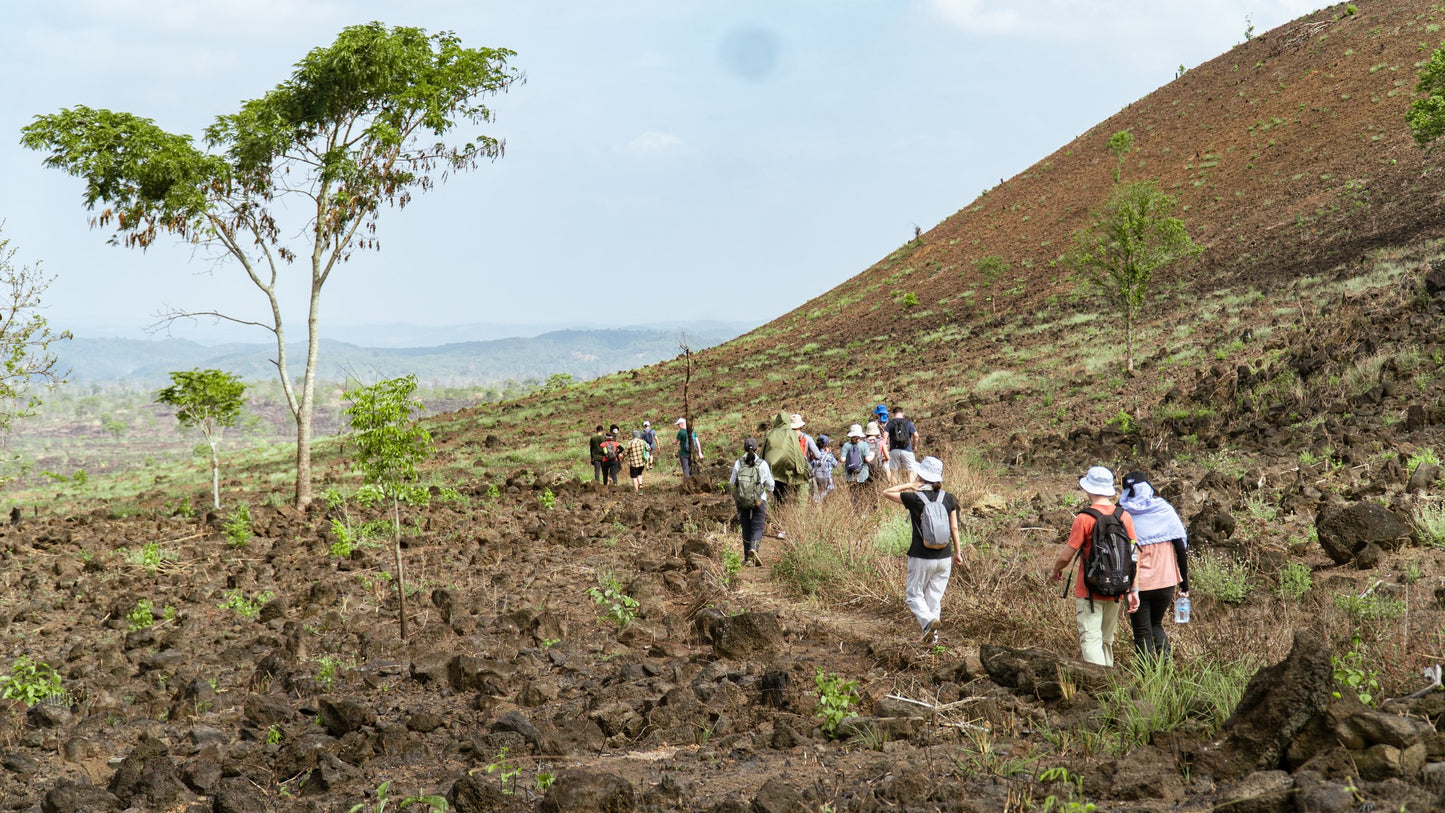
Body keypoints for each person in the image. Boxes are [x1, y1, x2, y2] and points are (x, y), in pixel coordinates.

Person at [1048, 466, 1140, 667]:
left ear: (1089, 489)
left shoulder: (1084, 518)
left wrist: (1056, 569)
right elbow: (1133, 555)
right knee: (1107, 641)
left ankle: (1100, 689)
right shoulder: (1124, 516)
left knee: (1091, 640)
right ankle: (1111, 688)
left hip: (1089, 590)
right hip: (1118, 589)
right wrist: (1133, 589)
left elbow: (1067, 555)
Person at [882, 457, 963, 644]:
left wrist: (910, 484)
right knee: (933, 600)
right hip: (944, 557)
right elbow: (954, 528)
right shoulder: (949, 498)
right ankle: (932, 641)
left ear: (921, 475)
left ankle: (928, 622)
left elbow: (887, 492)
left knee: (913, 596)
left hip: (921, 556)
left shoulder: (914, 498)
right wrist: (958, 553)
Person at [1119, 471, 1190, 659]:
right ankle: (1165, 670)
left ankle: (1147, 680)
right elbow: (1180, 549)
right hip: (1167, 582)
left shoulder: (1123, 515)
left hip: (1138, 585)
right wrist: (1184, 585)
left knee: (1142, 634)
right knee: (1156, 624)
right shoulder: (1165, 510)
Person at [729, 438, 775, 566]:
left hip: (742, 500)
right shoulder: (762, 464)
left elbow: (732, 482)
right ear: (757, 449)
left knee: (746, 527)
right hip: (759, 500)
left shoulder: (738, 463)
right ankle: (754, 549)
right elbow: (770, 484)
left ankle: (746, 558)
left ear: (744, 448)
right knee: (758, 525)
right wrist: (768, 489)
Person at [761, 411, 811, 510]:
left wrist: (760, 466)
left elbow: (763, 451)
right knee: (801, 483)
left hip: (773, 466)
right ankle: (800, 512)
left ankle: (778, 511)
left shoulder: (770, 433)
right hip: (789, 465)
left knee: (778, 490)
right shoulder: (791, 433)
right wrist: (801, 468)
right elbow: (797, 451)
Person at [884, 407, 919, 483]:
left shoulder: (890, 423)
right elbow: (916, 436)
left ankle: (895, 490)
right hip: (907, 449)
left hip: (894, 451)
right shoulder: (909, 423)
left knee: (894, 472)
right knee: (911, 471)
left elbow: (885, 436)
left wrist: (885, 447)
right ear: (903, 413)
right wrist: (914, 446)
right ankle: (910, 489)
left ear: (893, 414)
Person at [839, 424, 875, 498]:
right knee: (863, 493)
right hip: (863, 474)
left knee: (853, 495)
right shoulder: (864, 445)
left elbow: (842, 459)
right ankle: (863, 508)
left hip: (850, 475)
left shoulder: (846, 445)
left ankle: (854, 508)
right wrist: (872, 455)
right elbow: (867, 459)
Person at [811, 434, 839, 502]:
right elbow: (836, 464)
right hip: (827, 478)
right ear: (826, 445)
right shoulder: (828, 456)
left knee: (816, 494)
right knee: (826, 496)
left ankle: (816, 506)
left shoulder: (814, 455)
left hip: (815, 477)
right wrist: (830, 453)